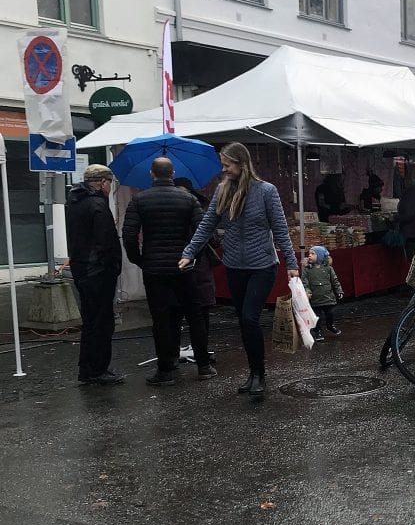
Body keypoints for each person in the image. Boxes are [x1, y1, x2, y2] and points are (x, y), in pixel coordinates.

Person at [179, 142, 299, 398]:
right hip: (234, 266)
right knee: (243, 323)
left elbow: (279, 228)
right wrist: (189, 252)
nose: (224, 170)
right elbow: (206, 225)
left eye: (227, 165)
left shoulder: (267, 191)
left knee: (249, 318)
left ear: (242, 163)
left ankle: (259, 375)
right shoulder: (222, 191)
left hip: (262, 266)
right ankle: (253, 371)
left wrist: (291, 262)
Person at [122, 158, 214, 386]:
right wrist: (193, 257)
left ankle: (165, 369)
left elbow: (129, 234)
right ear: (172, 173)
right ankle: (203, 365)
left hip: (154, 268)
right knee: (194, 315)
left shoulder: (139, 200)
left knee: (161, 318)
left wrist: (139, 259)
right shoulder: (188, 199)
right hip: (184, 266)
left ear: (152, 174)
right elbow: (203, 232)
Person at [66, 164, 125, 386]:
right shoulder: (98, 205)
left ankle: (87, 368)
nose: (110, 187)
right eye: (109, 183)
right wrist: (114, 267)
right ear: (102, 183)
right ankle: (99, 369)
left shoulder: (74, 202)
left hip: (82, 269)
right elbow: (106, 243)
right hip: (98, 271)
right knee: (102, 321)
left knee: (90, 321)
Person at [174, 177, 220, 364]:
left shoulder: (183, 209)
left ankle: (175, 352)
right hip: (199, 266)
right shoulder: (202, 205)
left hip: (180, 264)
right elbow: (215, 240)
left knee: (177, 310)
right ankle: (201, 351)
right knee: (201, 311)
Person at [301, 245, 343, 341]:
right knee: (317, 317)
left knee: (330, 313)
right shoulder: (307, 269)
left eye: (313, 254)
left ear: (320, 256)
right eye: (309, 254)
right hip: (315, 298)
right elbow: (305, 283)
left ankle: (330, 326)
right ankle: (317, 331)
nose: (309, 256)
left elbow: (335, 281)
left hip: (328, 297)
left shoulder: (328, 269)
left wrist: (339, 291)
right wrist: (307, 292)